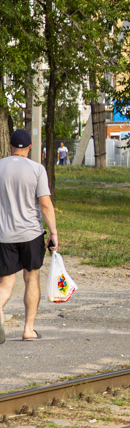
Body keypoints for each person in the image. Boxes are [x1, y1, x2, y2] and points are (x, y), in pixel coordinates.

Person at [0, 129, 59, 342]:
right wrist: (53, 233)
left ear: (10, 146)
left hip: (4, 234)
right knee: (31, 277)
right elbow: (45, 204)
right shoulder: (36, 169)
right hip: (31, 234)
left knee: (6, 283)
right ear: (30, 147)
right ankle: (28, 329)